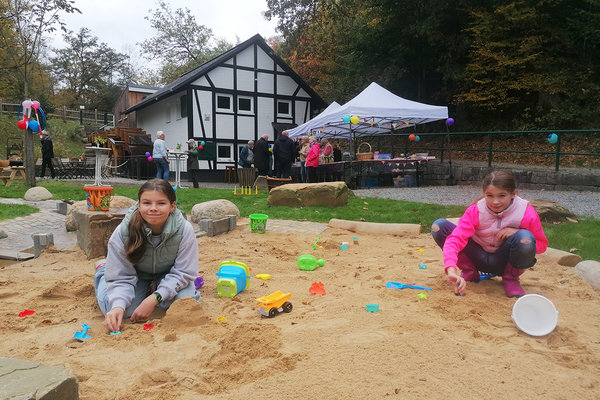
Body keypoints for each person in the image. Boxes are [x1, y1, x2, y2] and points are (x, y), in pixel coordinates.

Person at [94, 179, 201, 332]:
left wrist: (155, 298)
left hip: (168, 274)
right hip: (136, 274)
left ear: (172, 206)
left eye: (161, 203)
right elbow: (121, 276)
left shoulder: (184, 229)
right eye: (147, 203)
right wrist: (118, 305)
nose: (153, 208)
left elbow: (184, 271)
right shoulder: (123, 231)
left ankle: (155, 289)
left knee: (185, 303)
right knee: (118, 309)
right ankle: (102, 270)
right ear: (139, 205)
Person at [431, 170, 548, 298]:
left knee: (525, 238)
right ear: (484, 194)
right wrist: (451, 269)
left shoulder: (526, 212)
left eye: (502, 195)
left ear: (513, 194)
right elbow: (456, 239)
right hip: (478, 256)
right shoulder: (476, 210)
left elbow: (541, 245)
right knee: (439, 226)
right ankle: (469, 271)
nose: (495, 202)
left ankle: (511, 279)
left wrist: (517, 232)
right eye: (490, 195)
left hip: (504, 261)